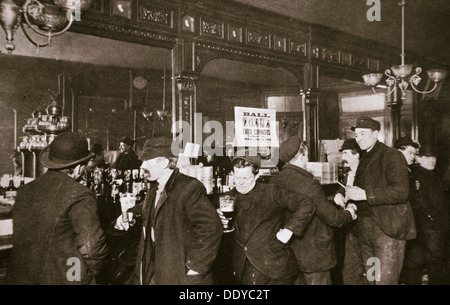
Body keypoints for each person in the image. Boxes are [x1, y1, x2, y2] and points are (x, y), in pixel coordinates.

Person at [113, 137, 223, 285]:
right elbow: (147, 207)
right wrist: (131, 213)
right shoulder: (155, 188)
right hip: (154, 269)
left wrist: (195, 268)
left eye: (147, 161)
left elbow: (211, 228)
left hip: (179, 275)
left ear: (164, 162)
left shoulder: (189, 187)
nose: (142, 166)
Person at [6, 132, 108, 284]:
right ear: (79, 167)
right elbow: (91, 249)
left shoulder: (25, 191)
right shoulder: (80, 194)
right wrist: (82, 276)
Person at [217, 149, 315, 285]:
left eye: (245, 178)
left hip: (274, 270)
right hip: (244, 270)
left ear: (256, 176)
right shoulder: (228, 198)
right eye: (237, 177)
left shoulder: (271, 192)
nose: (240, 182)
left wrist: (289, 230)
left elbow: (306, 203)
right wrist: (219, 220)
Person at [270, 137, 357, 285]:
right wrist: (349, 212)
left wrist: (329, 199)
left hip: (290, 254)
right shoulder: (309, 184)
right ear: (303, 155)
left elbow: (300, 203)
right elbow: (333, 218)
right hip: (314, 256)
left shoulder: (275, 181)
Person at [345, 116, 416, 285]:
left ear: (376, 134)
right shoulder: (365, 158)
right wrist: (352, 200)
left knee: (385, 281)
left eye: (363, 133)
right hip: (366, 230)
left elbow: (401, 191)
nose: (359, 138)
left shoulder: (392, 156)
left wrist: (365, 195)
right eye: (356, 135)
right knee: (371, 279)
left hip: (387, 231)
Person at [401, 144, 449, 285]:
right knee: (433, 264)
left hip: (424, 229)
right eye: (427, 157)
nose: (432, 160)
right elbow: (422, 203)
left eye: (433, 157)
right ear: (418, 158)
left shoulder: (429, 175)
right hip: (430, 229)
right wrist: (434, 221)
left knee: (418, 264)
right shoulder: (420, 176)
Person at [333, 138, 364, 285]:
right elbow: (343, 189)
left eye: (346, 153)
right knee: (350, 269)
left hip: (368, 230)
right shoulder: (348, 173)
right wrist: (338, 194)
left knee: (372, 269)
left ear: (357, 154)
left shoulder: (366, 173)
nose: (343, 157)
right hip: (351, 230)